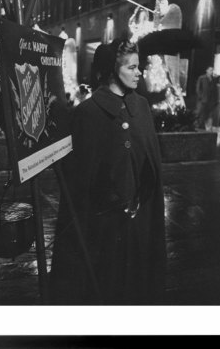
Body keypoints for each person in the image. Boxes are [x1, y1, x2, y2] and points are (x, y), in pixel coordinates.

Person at [50, 39, 166, 305]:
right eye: (132, 67)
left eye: (139, 67)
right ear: (113, 70)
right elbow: (79, 183)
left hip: (140, 225)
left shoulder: (142, 108)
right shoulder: (88, 114)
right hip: (104, 231)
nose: (139, 73)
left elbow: (150, 162)